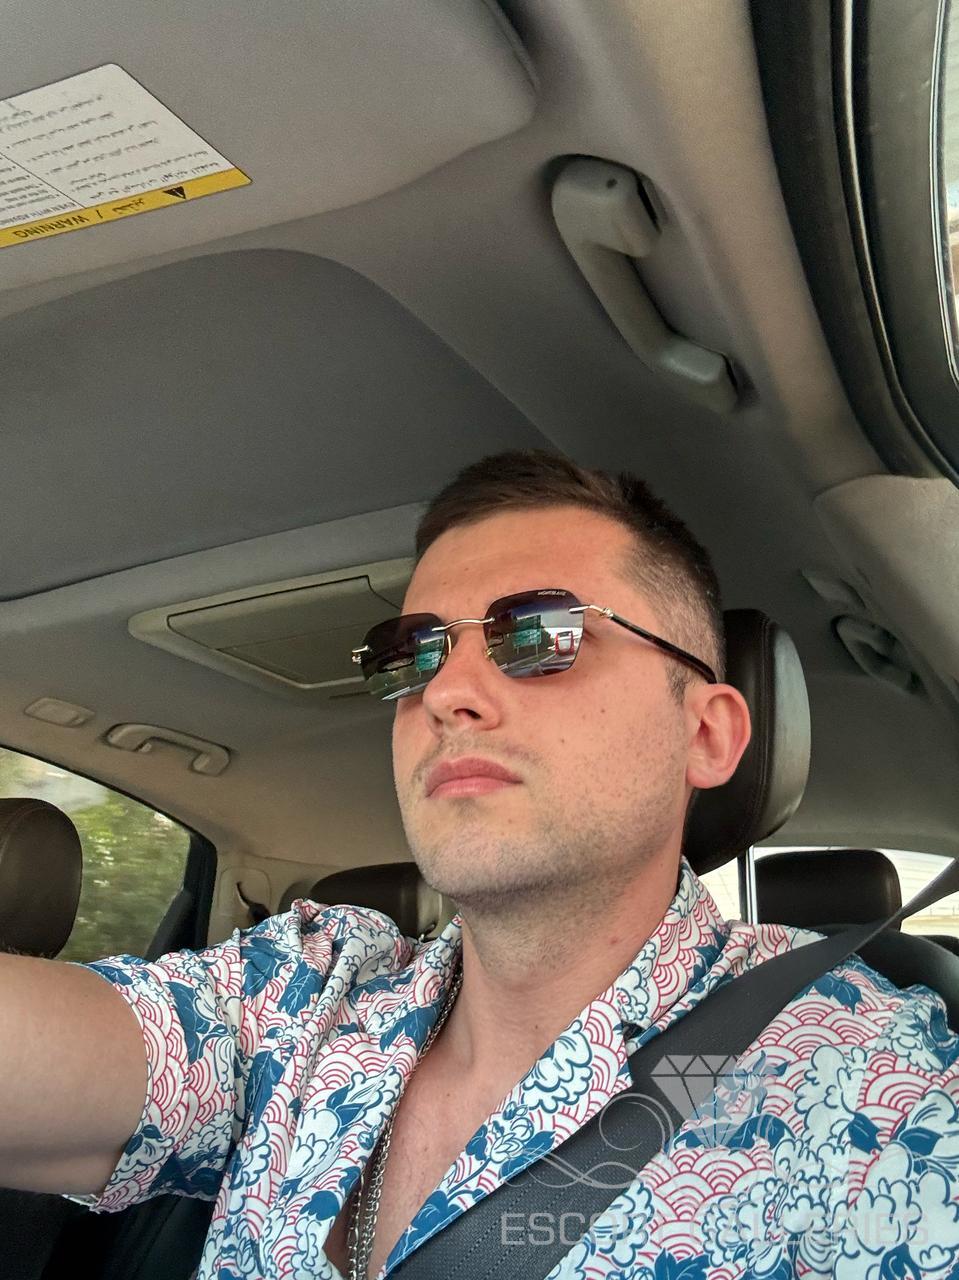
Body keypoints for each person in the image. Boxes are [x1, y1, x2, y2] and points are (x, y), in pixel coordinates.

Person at [1, 450, 957, 1280]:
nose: (446, 690)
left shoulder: (858, 1085)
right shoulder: (303, 996)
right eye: (412, 653)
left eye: (538, 633)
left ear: (705, 733)